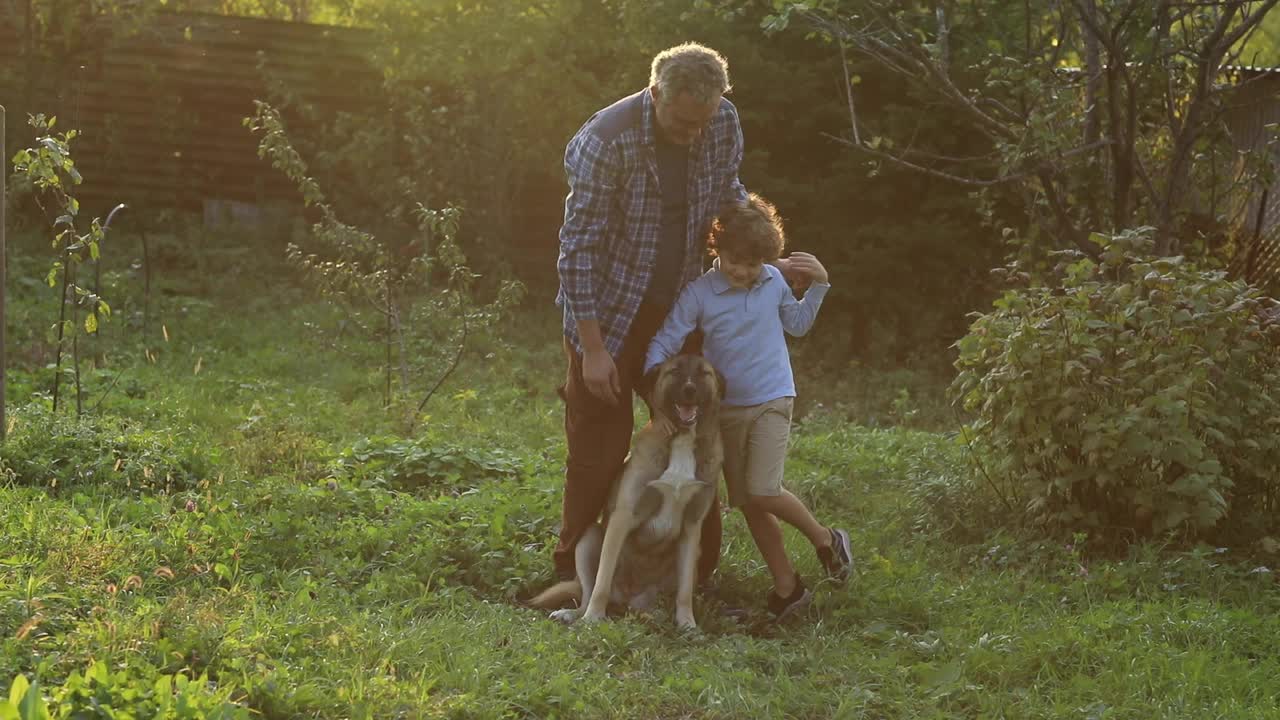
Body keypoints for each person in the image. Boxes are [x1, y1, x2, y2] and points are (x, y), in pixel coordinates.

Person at [552, 42, 749, 587]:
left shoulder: (722, 121)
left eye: (702, 122)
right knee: (600, 445)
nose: (693, 134)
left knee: (698, 433)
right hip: (610, 317)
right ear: (656, 93)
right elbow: (578, 248)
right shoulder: (605, 141)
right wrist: (593, 350)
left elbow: (728, 193)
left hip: (681, 314)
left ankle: (695, 575)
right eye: (683, 121)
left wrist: (765, 252)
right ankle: (576, 567)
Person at [644, 193, 853, 620]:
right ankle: (788, 589)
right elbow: (668, 337)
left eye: (754, 264)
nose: (743, 272)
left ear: (765, 261)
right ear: (716, 248)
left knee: (763, 490)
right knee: (749, 503)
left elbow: (796, 325)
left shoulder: (771, 281)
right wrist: (653, 377)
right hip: (726, 410)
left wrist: (819, 286)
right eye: (735, 261)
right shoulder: (700, 293)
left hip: (774, 397)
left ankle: (827, 541)